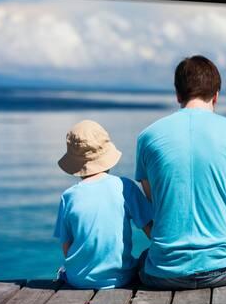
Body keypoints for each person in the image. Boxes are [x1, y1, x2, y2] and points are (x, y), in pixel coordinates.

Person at [136, 55, 226, 289]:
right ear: (216, 95)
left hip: (164, 272)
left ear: (178, 94)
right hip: (223, 269)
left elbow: (153, 202)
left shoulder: (147, 136)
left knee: (141, 259)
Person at [53, 120, 153, 289]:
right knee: (145, 257)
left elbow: (66, 247)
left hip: (78, 280)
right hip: (121, 278)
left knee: (62, 270)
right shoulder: (125, 187)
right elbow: (152, 232)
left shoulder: (68, 196)